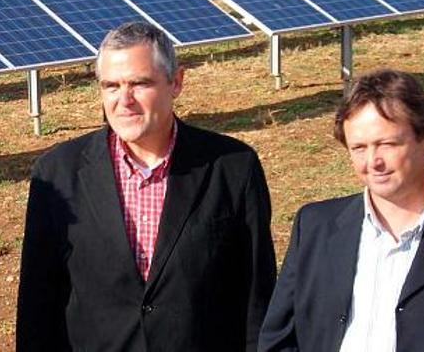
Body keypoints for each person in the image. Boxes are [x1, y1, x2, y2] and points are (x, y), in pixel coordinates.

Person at [16, 21, 277, 351]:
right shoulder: (57, 174)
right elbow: (38, 306)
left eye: (139, 84)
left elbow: (257, 297)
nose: (124, 100)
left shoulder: (233, 168)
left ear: (176, 82)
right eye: (111, 86)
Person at [259, 69, 424, 352]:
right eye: (359, 148)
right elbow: (278, 339)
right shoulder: (314, 227)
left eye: (387, 144)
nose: (373, 161)